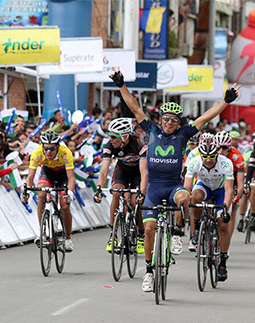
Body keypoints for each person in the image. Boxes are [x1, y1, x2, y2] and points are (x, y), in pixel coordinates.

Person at [108, 67, 240, 293]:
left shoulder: (183, 134)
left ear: (178, 122)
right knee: (149, 229)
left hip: (173, 186)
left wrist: (225, 101)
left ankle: (178, 234)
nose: (169, 123)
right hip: (153, 188)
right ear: (161, 119)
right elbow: (134, 107)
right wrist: (121, 85)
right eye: (166, 119)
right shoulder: (150, 130)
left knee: (185, 197)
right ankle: (149, 271)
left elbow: (206, 116)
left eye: (174, 120)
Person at [94, 117, 148, 254]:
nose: (110, 139)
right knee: (116, 193)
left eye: (113, 136)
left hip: (138, 174)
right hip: (122, 171)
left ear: (124, 136)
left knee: (135, 202)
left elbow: (144, 172)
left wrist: (142, 192)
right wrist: (98, 189)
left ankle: (141, 235)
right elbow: (104, 170)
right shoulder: (110, 146)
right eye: (109, 135)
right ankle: (113, 235)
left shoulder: (139, 144)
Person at [184, 137, 233, 281]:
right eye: (205, 157)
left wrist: (225, 208)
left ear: (217, 154)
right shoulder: (195, 162)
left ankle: (223, 262)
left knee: (223, 225)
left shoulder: (225, 163)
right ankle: (198, 226)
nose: (208, 160)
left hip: (220, 190)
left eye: (212, 157)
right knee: (195, 197)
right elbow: (187, 186)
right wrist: (185, 201)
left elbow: (229, 189)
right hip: (204, 187)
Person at [23, 131, 76, 253]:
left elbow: (71, 178)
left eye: (51, 149)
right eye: (45, 148)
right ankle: (43, 232)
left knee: (65, 207)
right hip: (47, 173)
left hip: (63, 175)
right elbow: (30, 177)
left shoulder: (65, 153)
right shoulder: (37, 153)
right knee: (41, 195)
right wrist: (26, 191)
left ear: (57, 146)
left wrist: (70, 194)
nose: (48, 152)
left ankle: (68, 238)